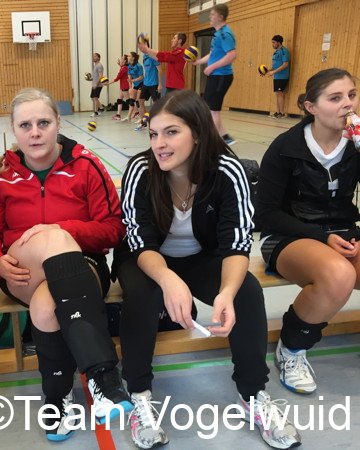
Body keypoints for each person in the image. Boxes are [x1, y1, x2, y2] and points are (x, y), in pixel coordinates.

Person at [115, 90, 301, 449]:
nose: (159, 144)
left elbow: (236, 243)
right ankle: (139, 393)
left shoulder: (228, 171)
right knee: (143, 293)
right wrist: (167, 278)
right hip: (146, 259)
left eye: (171, 132)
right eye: (153, 133)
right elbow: (140, 242)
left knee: (246, 291)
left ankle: (252, 394)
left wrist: (226, 293)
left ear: (198, 133)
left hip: (202, 257)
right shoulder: (141, 170)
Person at [0, 88, 132, 442]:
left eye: (43, 123)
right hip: (22, 270)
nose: (35, 133)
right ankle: (103, 375)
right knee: (50, 240)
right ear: (14, 130)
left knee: (46, 307)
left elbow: (113, 228)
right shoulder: (2, 176)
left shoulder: (86, 165)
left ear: (58, 123)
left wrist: (62, 230)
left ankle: (57, 397)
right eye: (25, 125)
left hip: (83, 265)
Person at [256, 68, 359, 395]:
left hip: (343, 231)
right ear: (311, 107)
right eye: (335, 98)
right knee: (339, 275)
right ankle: (292, 349)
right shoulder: (286, 147)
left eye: (352, 95)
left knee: (344, 267)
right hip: (290, 235)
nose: (348, 104)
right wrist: (321, 238)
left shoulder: (355, 145)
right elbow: (266, 214)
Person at [193, 3, 237, 145]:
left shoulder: (224, 34)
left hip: (220, 76)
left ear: (220, 17)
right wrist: (199, 62)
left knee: (212, 109)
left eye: (212, 14)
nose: (210, 17)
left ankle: (213, 142)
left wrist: (211, 67)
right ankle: (225, 137)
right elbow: (213, 54)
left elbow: (232, 55)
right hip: (217, 76)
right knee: (212, 108)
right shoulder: (218, 34)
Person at [134, 35, 161, 131]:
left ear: (146, 45)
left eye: (140, 45)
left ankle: (158, 124)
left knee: (157, 104)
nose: (139, 47)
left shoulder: (153, 55)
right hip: (146, 83)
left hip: (154, 84)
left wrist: (160, 84)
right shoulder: (144, 56)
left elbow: (160, 70)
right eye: (138, 46)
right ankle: (144, 123)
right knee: (140, 101)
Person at [265, 35, 290, 118]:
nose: (272, 44)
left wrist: (274, 72)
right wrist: (268, 71)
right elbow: (275, 66)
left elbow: (285, 64)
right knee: (277, 94)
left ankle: (282, 113)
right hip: (276, 76)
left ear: (279, 43)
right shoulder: (276, 52)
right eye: (272, 42)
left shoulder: (284, 51)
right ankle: (278, 112)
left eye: (274, 42)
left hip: (282, 76)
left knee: (280, 94)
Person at [109, 54, 130, 121]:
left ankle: (136, 113)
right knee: (119, 100)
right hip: (122, 86)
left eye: (122, 58)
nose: (120, 59)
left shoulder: (124, 68)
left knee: (129, 101)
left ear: (125, 61)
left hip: (125, 86)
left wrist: (108, 83)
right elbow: (122, 71)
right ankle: (118, 115)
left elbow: (118, 77)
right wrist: (120, 65)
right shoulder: (123, 67)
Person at [127, 51, 144, 123]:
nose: (127, 57)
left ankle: (142, 118)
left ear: (133, 58)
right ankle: (129, 117)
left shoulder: (139, 66)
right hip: (135, 85)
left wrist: (132, 80)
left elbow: (141, 77)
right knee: (131, 101)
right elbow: (129, 77)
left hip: (142, 84)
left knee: (138, 101)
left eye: (129, 56)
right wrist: (130, 87)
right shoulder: (129, 66)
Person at [90, 52, 105, 117]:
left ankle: (96, 112)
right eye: (93, 56)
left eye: (95, 56)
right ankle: (101, 107)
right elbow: (96, 76)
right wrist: (90, 79)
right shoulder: (95, 65)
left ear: (98, 58)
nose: (93, 57)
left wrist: (96, 84)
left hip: (98, 85)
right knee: (92, 98)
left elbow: (101, 76)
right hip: (94, 84)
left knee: (95, 98)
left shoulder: (99, 65)